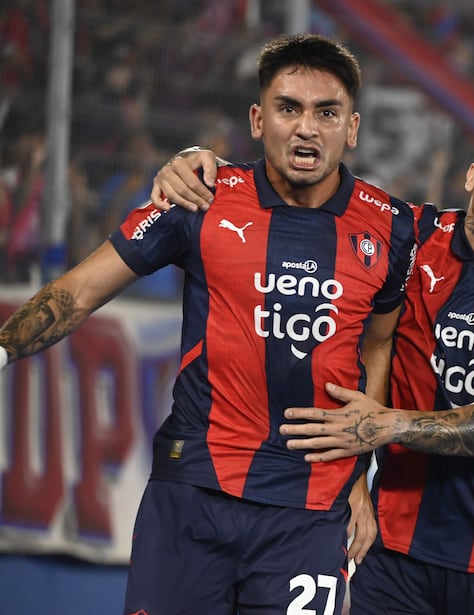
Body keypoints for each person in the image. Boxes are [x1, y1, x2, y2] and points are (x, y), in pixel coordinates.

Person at [0, 33, 418, 615]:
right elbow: (81, 290)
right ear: (257, 118)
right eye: (288, 108)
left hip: (308, 514)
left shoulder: (395, 227)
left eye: (327, 112)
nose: (306, 128)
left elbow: (378, 345)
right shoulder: (199, 196)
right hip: (192, 494)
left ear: (352, 127)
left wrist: (359, 475)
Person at [152, 110, 474, 615]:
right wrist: (199, 163)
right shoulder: (412, 238)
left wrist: (387, 426)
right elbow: (314, 192)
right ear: (473, 174)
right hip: (392, 555)